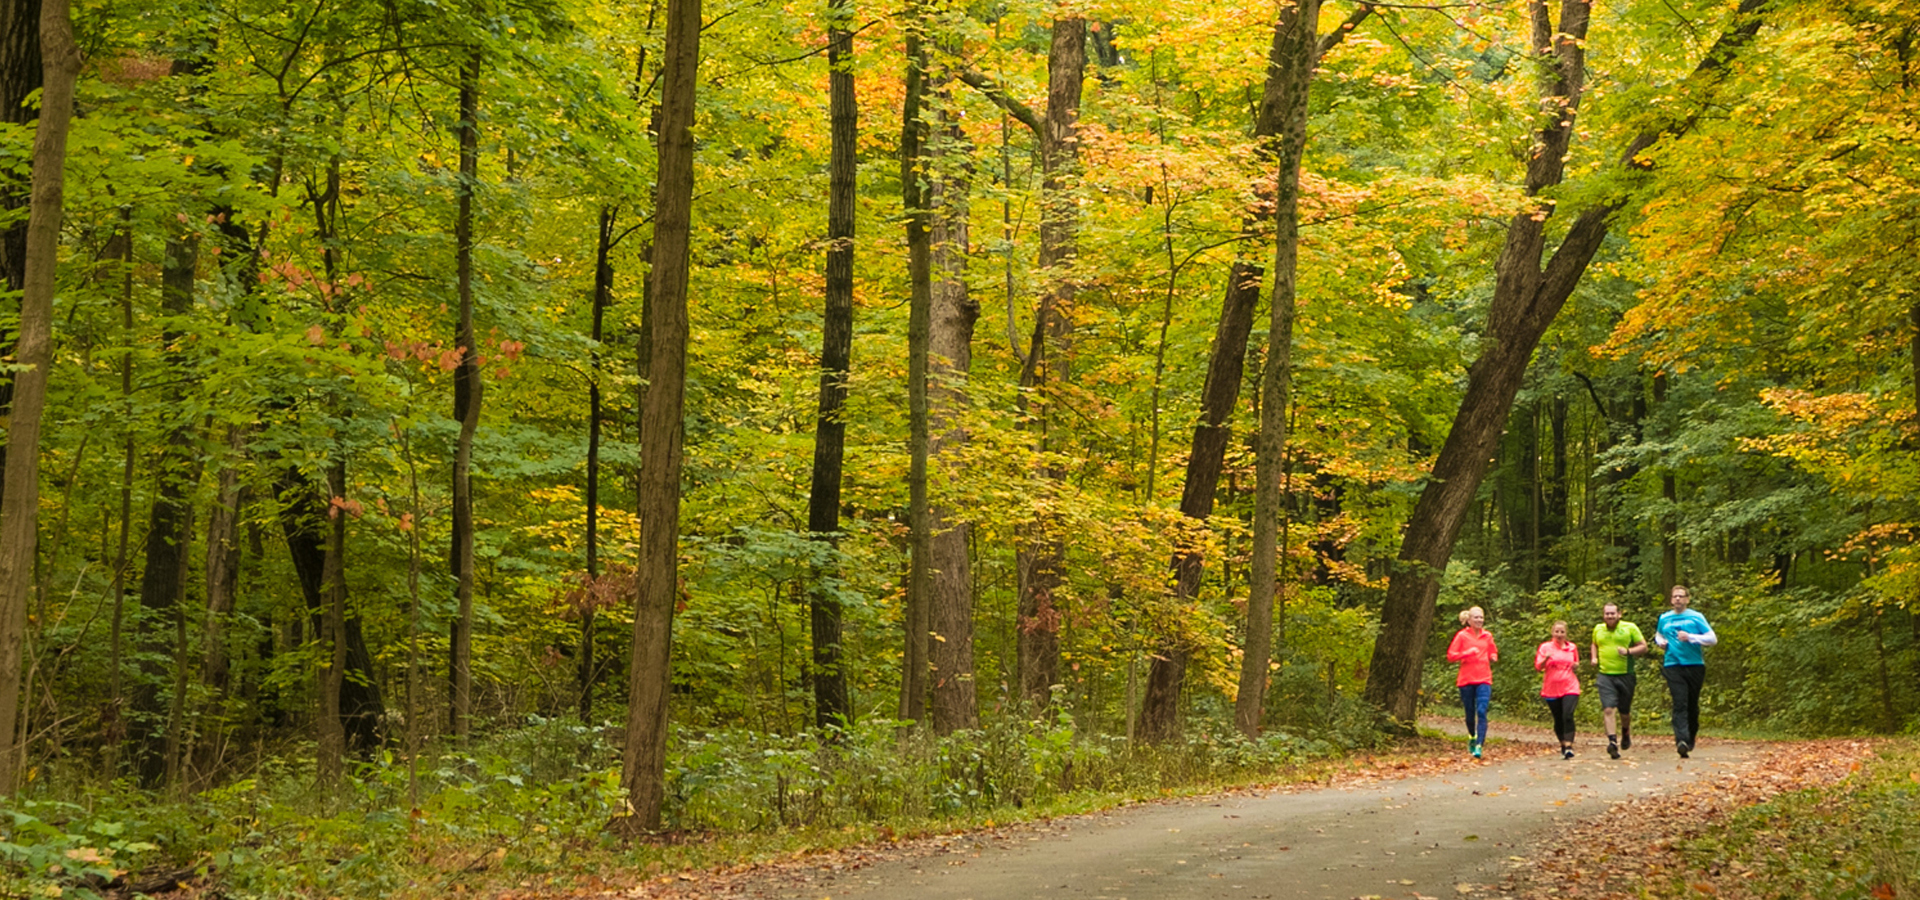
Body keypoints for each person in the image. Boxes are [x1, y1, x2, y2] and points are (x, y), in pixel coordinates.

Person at [1654, 585, 1717, 758]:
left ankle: (1690, 739)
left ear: (1687, 599)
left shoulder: (1696, 617)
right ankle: (1681, 740)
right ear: (1671, 599)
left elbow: (1712, 639)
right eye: (1675, 596)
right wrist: (1660, 642)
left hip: (1695, 664)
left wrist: (1691, 638)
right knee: (1679, 701)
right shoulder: (1665, 618)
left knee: (1692, 704)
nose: (1678, 599)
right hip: (1672, 664)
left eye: (1681, 596)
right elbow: (1658, 635)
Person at [1590, 603, 1648, 759]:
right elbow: (1594, 644)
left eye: (1612, 613)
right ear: (1603, 615)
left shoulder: (1630, 628)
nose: (1609, 616)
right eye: (1607, 614)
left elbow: (1644, 647)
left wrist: (1628, 651)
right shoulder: (1598, 629)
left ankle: (1625, 731)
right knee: (1608, 709)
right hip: (1605, 675)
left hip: (1626, 674)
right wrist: (1594, 657)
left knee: (1624, 711)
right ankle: (1612, 742)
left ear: (1619, 614)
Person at [1446, 606, 1497, 759]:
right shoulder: (1462, 636)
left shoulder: (1487, 636)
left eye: (1481, 617)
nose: (1479, 620)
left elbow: (1493, 651)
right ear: (1469, 620)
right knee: (1470, 713)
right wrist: (1466, 653)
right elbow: (1451, 656)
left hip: (1484, 678)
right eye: (1476, 617)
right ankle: (1472, 736)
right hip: (1466, 680)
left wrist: (1493, 656)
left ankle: (1479, 746)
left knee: (1482, 711)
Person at [1534, 621, 1581, 759]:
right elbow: (1538, 667)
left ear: (1566, 633)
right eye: (1557, 632)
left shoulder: (1572, 647)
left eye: (1562, 632)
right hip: (1551, 688)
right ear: (1552, 632)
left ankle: (1569, 746)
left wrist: (1576, 665)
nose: (1559, 635)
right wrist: (1546, 659)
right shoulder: (1545, 647)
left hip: (1570, 685)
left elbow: (1576, 662)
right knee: (1558, 718)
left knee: (1568, 714)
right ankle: (1562, 743)